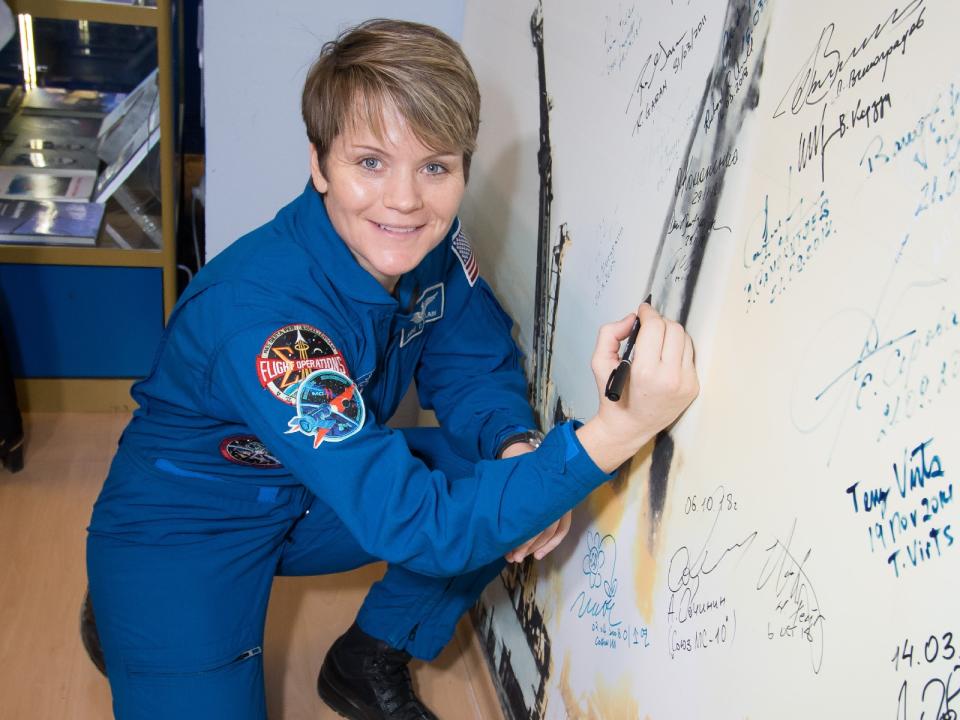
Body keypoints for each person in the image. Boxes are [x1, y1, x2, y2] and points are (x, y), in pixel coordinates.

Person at [85, 18, 699, 720]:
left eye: (434, 166)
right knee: (484, 506)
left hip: (317, 490)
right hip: (189, 525)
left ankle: (367, 656)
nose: (405, 200)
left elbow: (474, 361)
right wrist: (618, 432)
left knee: (503, 479)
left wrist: (514, 444)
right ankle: (129, 610)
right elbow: (417, 526)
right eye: (370, 162)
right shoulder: (263, 322)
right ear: (319, 163)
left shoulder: (425, 244)